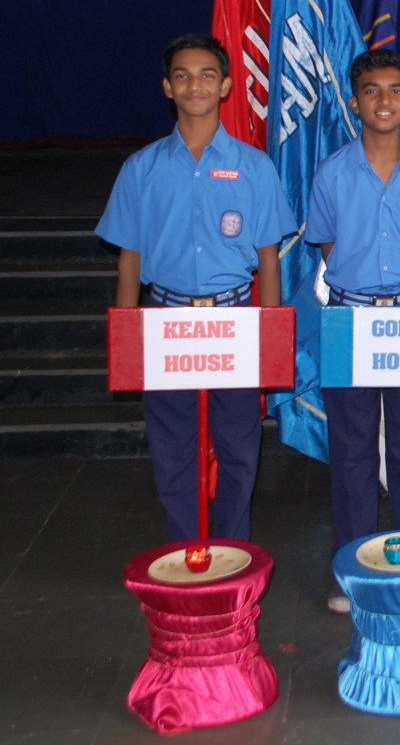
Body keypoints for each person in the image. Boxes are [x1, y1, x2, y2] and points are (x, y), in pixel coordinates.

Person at [96, 33, 297, 543]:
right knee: (173, 450)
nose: (195, 86)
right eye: (182, 76)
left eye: (207, 75)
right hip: (166, 320)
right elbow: (129, 260)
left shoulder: (254, 167)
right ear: (168, 87)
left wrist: (268, 334)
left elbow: (268, 260)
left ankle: (232, 552)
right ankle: (187, 551)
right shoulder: (141, 168)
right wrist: (128, 339)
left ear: (225, 85)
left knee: (238, 449)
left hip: (234, 318)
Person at [305, 48, 400, 613]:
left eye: (396, 90)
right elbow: (328, 246)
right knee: (351, 448)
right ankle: (353, 563)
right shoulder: (332, 172)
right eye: (372, 91)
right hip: (350, 319)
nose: (384, 101)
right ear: (355, 102)